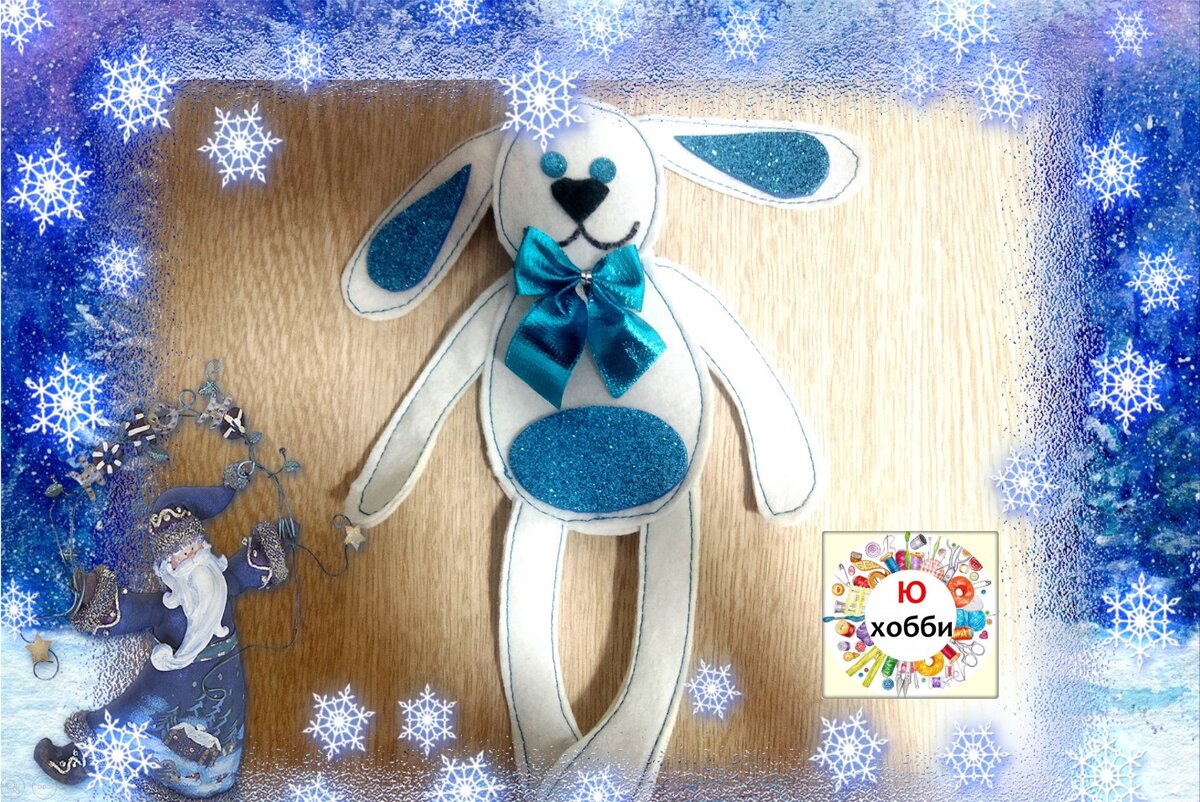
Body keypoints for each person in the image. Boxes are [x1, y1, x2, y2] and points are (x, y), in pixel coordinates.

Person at [34, 484, 288, 798]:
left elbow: (248, 569)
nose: (193, 559)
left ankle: (211, 786)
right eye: (181, 554)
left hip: (222, 692)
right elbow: (128, 612)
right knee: (120, 720)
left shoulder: (221, 583)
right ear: (168, 567)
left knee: (218, 741)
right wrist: (89, 595)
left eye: (195, 547)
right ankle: (79, 762)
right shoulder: (166, 608)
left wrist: (275, 543)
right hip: (165, 691)